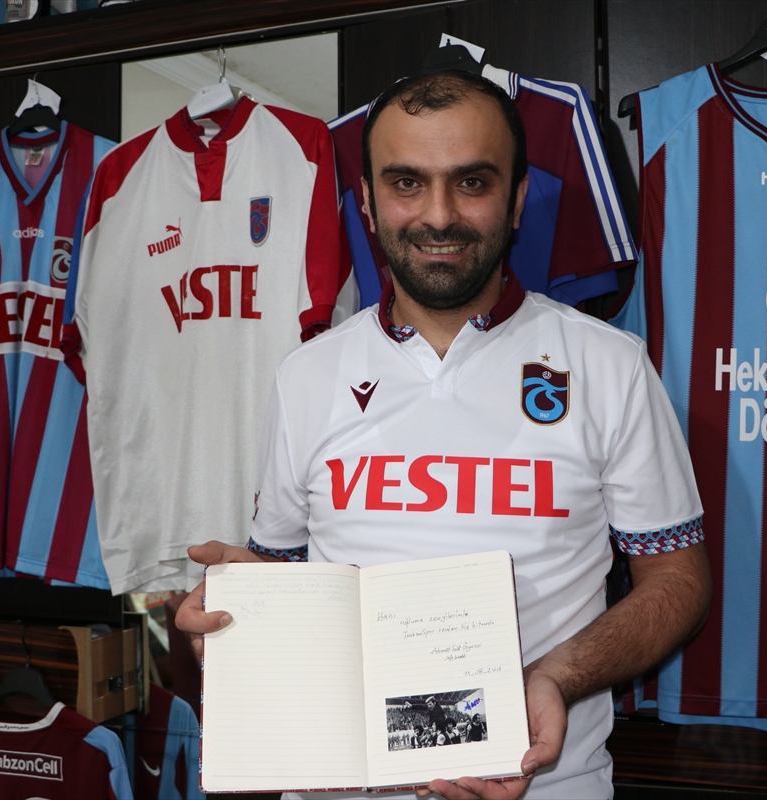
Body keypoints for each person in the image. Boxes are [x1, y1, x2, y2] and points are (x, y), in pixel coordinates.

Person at [176, 69, 712, 800]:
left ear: (516, 200)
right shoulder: (305, 375)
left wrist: (555, 677)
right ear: (367, 203)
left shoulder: (609, 365)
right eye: (406, 182)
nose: (438, 215)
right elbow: (284, 576)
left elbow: (678, 581)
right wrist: (234, 616)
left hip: (542, 781)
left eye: (472, 182)